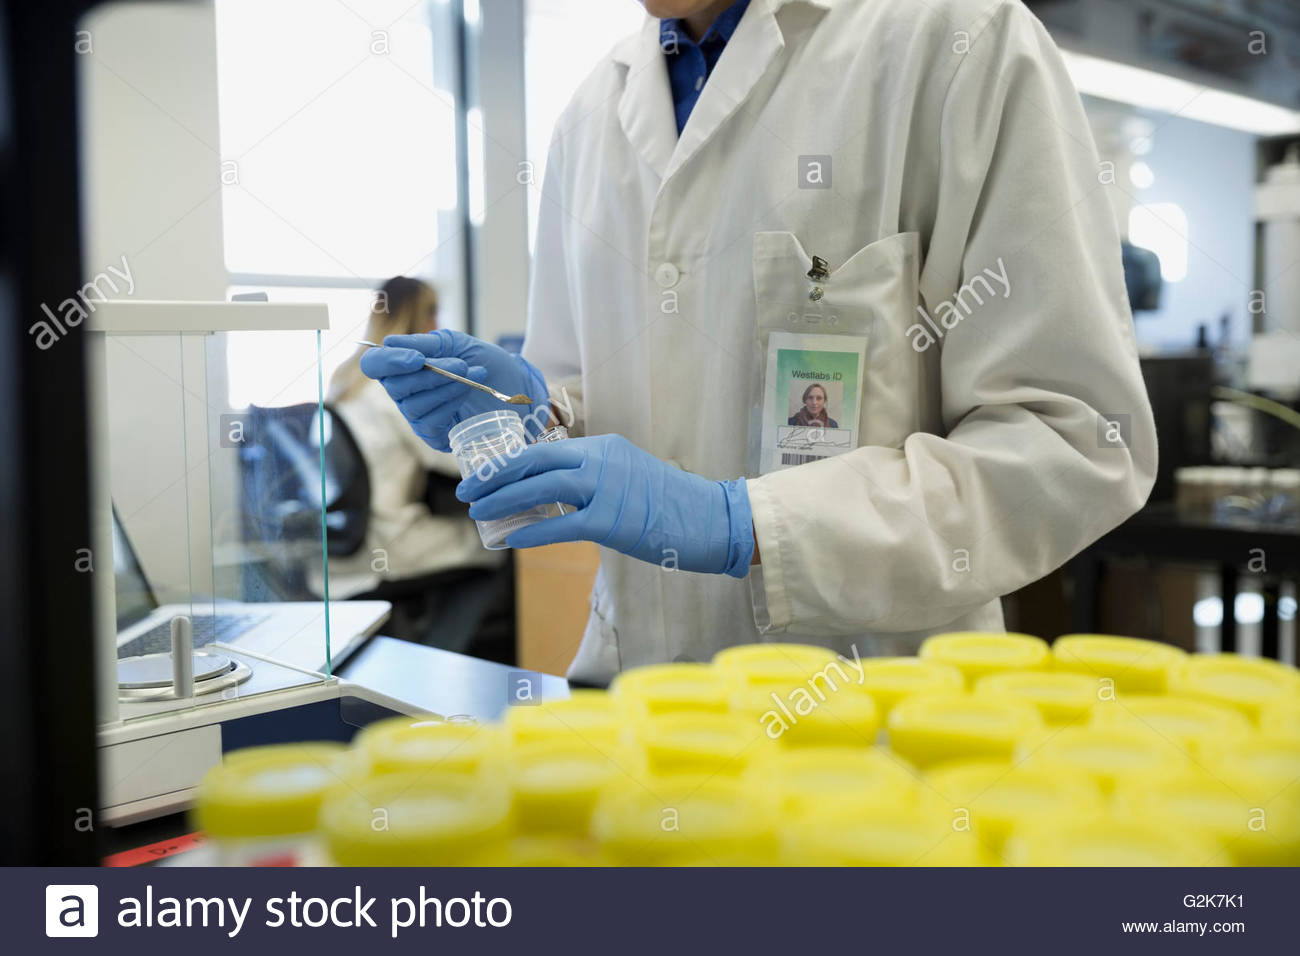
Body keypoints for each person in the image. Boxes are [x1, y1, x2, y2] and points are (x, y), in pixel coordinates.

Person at [361, 0, 1156, 685]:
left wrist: (747, 524)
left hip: (871, 715)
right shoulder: (591, 116)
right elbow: (597, 392)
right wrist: (530, 414)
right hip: (635, 697)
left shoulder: (955, 42)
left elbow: (1072, 438)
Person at [325, 277, 510, 658]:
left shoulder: (346, 379)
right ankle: (441, 653)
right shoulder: (398, 386)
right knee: (503, 546)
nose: (436, 323)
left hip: (347, 547)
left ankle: (428, 648)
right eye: (432, 311)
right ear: (418, 317)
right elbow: (454, 459)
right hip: (392, 543)